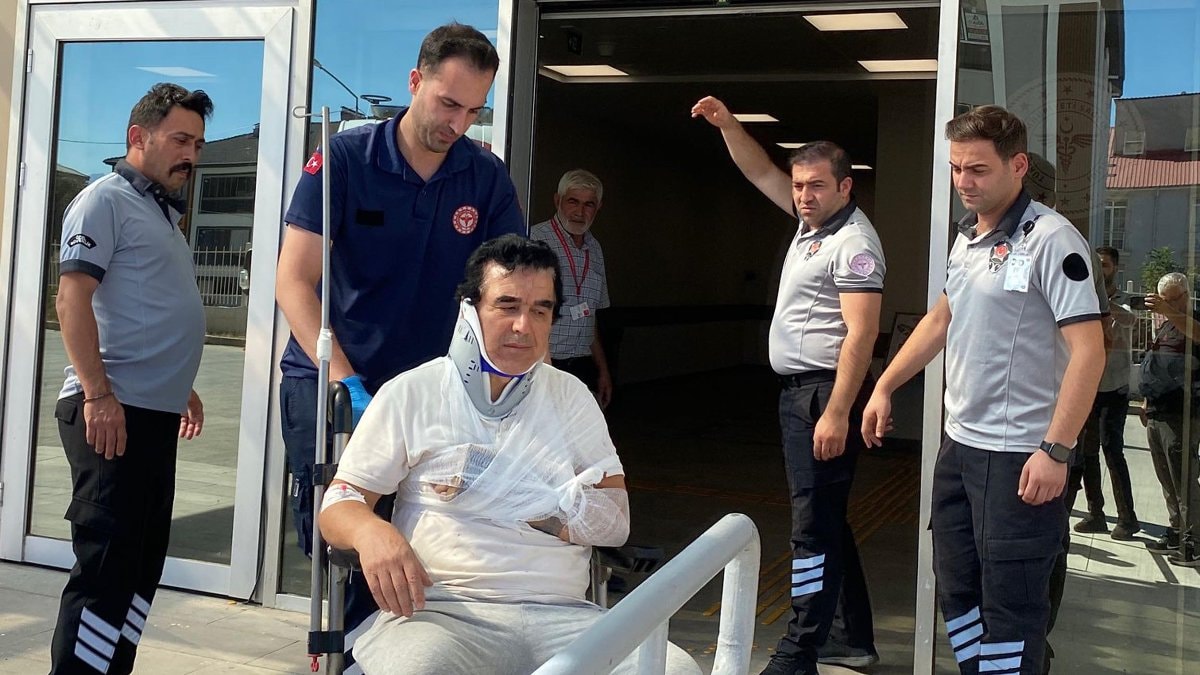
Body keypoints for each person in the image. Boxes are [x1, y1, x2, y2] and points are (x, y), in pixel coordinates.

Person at [317, 235, 700, 674]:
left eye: (541, 310)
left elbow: (612, 519)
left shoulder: (571, 397)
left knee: (674, 669)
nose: (524, 326)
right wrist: (370, 532)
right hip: (443, 612)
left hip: (563, 615)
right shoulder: (414, 392)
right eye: (507, 305)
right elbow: (338, 504)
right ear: (470, 309)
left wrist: (510, 497)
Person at [274, 19, 525, 619]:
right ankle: (347, 650)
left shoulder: (483, 176)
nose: (458, 123)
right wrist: (347, 384)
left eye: (474, 110)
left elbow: (509, 287)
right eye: (448, 103)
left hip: (428, 393)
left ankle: (388, 651)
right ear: (415, 82)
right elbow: (293, 281)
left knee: (421, 539)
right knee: (342, 547)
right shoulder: (345, 159)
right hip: (336, 383)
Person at [862, 104, 1105, 675]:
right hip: (961, 448)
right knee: (957, 590)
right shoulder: (968, 238)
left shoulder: (1052, 239)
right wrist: (885, 385)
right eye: (956, 168)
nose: (963, 182)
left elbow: (1090, 352)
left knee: (1011, 608)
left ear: (1017, 166)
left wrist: (1056, 450)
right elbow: (940, 320)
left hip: (1020, 455)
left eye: (977, 169)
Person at [691, 96, 883, 674]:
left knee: (811, 530)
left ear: (845, 187)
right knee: (827, 520)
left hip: (823, 394)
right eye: (799, 185)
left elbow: (861, 333)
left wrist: (837, 412)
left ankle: (800, 650)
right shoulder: (811, 226)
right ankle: (850, 637)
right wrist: (729, 125)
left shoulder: (853, 243)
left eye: (817, 185)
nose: (803, 195)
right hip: (802, 393)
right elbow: (760, 172)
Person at [49, 83, 211, 675]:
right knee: (106, 572)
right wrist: (98, 393)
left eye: (198, 144)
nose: (190, 154)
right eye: (180, 140)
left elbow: (143, 309)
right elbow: (72, 300)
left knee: (140, 569)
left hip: (151, 413)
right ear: (137, 137)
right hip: (111, 416)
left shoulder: (161, 213)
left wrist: (179, 382)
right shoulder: (104, 200)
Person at [1071, 246, 1140, 539]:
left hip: (1114, 387)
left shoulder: (1122, 302)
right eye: (1096, 265)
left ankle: (1127, 517)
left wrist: (1103, 306)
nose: (1099, 270)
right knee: (1087, 453)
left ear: (1115, 269)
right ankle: (1095, 513)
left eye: (1105, 265)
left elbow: (1130, 321)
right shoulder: (1082, 297)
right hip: (1089, 387)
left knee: (1112, 450)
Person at [530, 169, 613, 408]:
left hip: (583, 366)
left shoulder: (595, 249)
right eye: (573, 201)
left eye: (589, 204)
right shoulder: (535, 239)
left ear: (598, 207)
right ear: (557, 200)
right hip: (542, 366)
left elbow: (590, 316)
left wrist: (603, 370)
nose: (579, 212)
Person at [1138, 272, 1200, 567]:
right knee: (1167, 478)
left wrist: (1169, 311)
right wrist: (1146, 400)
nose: (1168, 305)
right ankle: (1177, 530)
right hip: (1158, 409)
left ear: (1185, 295)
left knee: (1184, 480)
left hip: (1182, 413)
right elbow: (1156, 360)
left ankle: (1195, 540)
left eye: (1173, 299)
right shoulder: (1166, 326)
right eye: (1163, 300)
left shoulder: (1190, 321)